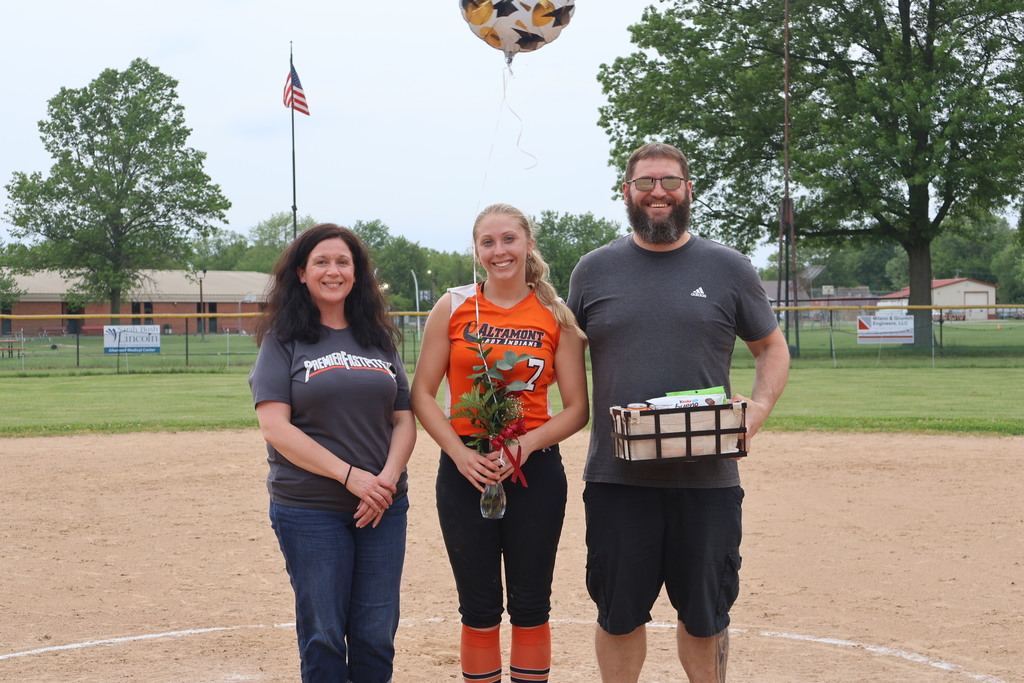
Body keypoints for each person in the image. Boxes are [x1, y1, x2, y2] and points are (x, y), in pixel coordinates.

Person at [566, 142, 790, 683]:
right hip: (618, 479)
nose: (658, 193)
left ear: (689, 189)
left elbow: (771, 348)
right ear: (627, 193)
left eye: (669, 182)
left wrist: (756, 410)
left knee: (706, 616)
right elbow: (564, 358)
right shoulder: (593, 271)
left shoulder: (728, 267)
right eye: (645, 183)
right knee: (618, 616)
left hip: (707, 480)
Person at [411, 203, 589, 683]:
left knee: (531, 603)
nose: (499, 251)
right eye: (487, 242)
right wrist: (459, 453)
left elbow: (577, 408)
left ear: (528, 244)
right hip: (466, 466)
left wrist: (526, 446)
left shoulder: (556, 314)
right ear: (476, 251)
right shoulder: (452, 306)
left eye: (508, 239)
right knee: (478, 605)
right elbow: (422, 393)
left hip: (533, 467)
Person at [248, 223, 416, 682]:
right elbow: (274, 426)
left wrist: (386, 478)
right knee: (323, 634)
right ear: (301, 273)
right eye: (321, 261)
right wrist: (350, 476)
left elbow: (403, 418)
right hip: (310, 508)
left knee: (376, 634)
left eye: (343, 262)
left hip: (383, 506)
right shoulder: (284, 339)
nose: (333, 270)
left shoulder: (378, 338)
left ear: (357, 273)